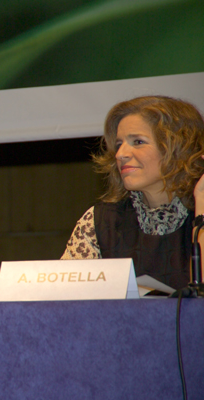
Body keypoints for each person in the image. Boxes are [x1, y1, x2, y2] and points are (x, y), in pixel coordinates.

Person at [62, 95, 204, 290]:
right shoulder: (99, 221)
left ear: (180, 148)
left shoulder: (199, 213)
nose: (120, 154)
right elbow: (65, 302)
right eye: (119, 144)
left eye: (138, 142)